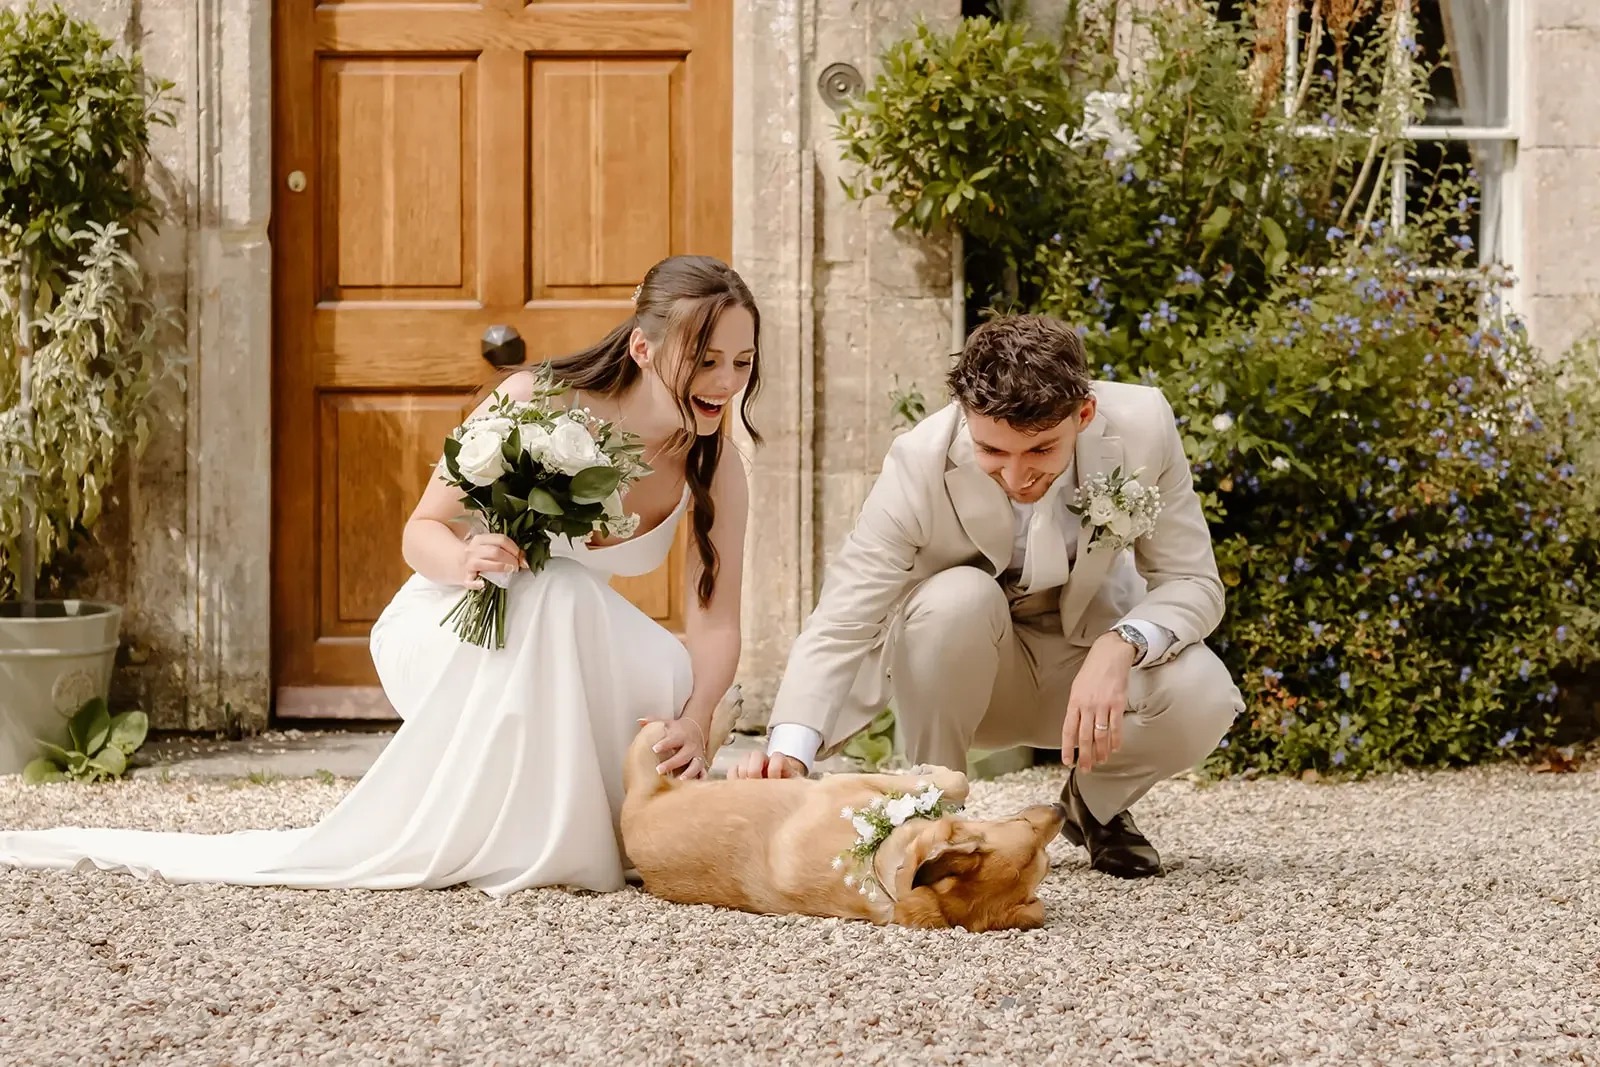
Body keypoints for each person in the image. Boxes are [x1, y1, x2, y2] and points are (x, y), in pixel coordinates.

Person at [0, 254, 760, 896]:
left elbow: (714, 621)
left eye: (741, 362)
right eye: (707, 358)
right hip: (449, 622)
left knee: (604, 629)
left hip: (570, 638)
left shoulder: (716, 465)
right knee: (557, 591)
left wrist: (696, 718)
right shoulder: (536, 401)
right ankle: (545, 842)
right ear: (641, 348)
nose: (724, 382)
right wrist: (467, 559)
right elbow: (419, 531)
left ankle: (571, 825)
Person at [732, 313, 1241, 878]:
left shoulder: (1143, 426)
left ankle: (1094, 805)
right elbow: (844, 618)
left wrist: (1120, 645)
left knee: (1207, 693)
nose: (1017, 476)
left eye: (1041, 451)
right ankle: (932, 819)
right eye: (992, 451)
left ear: (1085, 414)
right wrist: (790, 752)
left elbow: (1193, 581)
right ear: (966, 418)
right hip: (965, 674)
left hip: (1084, 676)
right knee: (957, 597)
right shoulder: (917, 463)